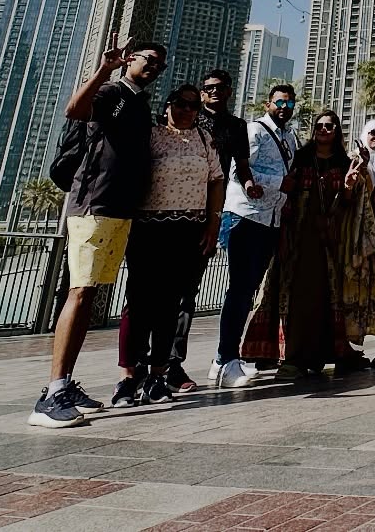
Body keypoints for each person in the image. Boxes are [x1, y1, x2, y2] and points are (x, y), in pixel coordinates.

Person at [29, 36, 165, 428]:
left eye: (160, 64)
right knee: (81, 290)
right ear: (130, 59)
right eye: (149, 60)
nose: (154, 67)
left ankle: (65, 384)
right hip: (94, 205)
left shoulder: (139, 102)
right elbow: (75, 109)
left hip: (121, 211)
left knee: (90, 294)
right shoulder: (112, 90)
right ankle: (52, 392)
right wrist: (105, 68)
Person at [242, 109, 375, 379]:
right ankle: (293, 357)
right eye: (319, 126)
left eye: (329, 126)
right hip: (297, 238)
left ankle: (320, 353)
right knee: (295, 296)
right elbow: (286, 195)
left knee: (326, 298)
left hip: (330, 243)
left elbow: (351, 204)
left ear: (337, 131)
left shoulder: (344, 163)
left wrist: (349, 183)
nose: (323, 130)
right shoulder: (299, 158)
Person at [113, 83, 224, 405]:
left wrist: (213, 223)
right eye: (181, 104)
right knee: (137, 303)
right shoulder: (151, 135)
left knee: (170, 305)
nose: (188, 110)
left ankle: (158, 375)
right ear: (168, 105)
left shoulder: (204, 139)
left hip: (189, 228)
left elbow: (216, 180)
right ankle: (128, 377)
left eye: (193, 106)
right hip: (149, 227)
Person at [165, 67, 259, 386]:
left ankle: (173, 363)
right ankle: (141, 364)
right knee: (157, 291)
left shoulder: (236, 127)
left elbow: (241, 167)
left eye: (220, 87)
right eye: (208, 88)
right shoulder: (186, 119)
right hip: (167, 212)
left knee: (187, 291)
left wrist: (250, 186)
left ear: (230, 90)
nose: (213, 92)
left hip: (207, 216)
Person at [210, 82, 298, 388]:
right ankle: (225, 359)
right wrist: (278, 183)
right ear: (267, 104)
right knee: (239, 290)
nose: (284, 108)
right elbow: (238, 169)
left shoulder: (290, 137)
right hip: (245, 216)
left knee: (247, 291)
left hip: (270, 221)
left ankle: (225, 358)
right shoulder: (255, 131)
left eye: (289, 104)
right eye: (279, 103)